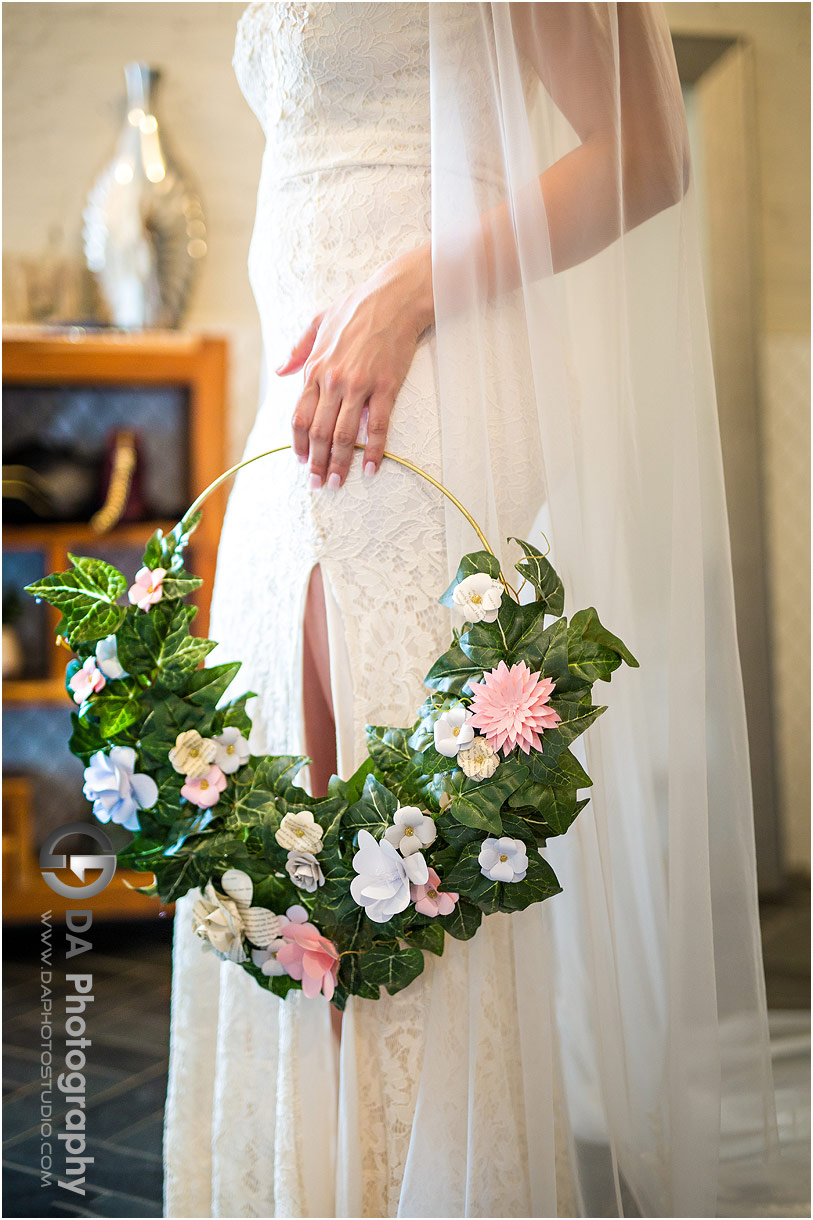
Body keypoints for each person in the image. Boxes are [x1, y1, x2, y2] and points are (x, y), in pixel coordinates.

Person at [163, 4, 777, 1216]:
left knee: (401, 858)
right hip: (301, 400)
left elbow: (645, 155)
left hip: (424, 372)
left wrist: (406, 290)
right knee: (284, 830)